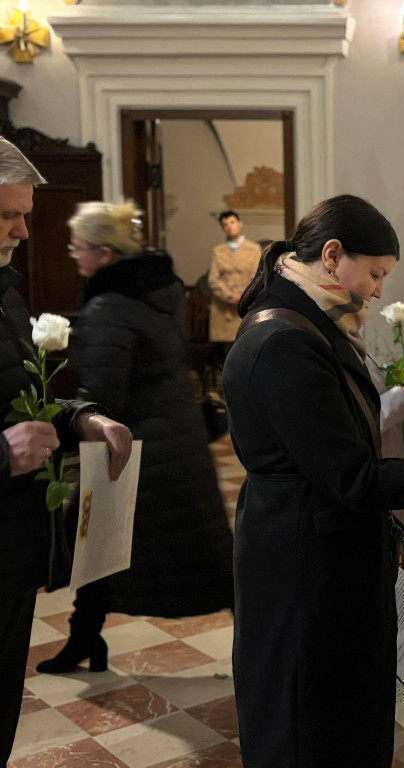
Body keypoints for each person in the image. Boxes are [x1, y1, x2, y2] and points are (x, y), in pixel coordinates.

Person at [222, 194, 404, 768]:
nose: (378, 291)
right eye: (375, 273)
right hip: (304, 573)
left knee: (342, 720)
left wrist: (395, 541)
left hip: (324, 554)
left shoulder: (310, 325)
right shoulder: (285, 342)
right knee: (310, 730)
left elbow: (336, 461)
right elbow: (352, 477)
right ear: (332, 255)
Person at [36, 201, 235, 675]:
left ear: (104, 254)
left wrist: (68, 420)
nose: (73, 255)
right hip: (176, 442)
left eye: (78, 247)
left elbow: (105, 393)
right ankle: (85, 639)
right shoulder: (157, 292)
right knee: (127, 546)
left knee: (106, 542)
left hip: (134, 449)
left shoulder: (109, 305)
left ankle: (267, 648)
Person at [0, 136, 133, 763]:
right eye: (8, 215)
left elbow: (22, 400)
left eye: (24, 214)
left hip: (11, 548)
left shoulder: (6, 293)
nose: (24, 231)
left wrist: (82, 418)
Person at [208, 210, 262, 343]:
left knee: (247, 343)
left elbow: (257, 277)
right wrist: (228, 295)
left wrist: (243, 296)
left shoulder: (254, 248)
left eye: (232, 222)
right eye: (225, 224)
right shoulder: (218, 251)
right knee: (227, 348)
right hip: (225, 306)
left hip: (246, 304)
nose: (229, 226)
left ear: (239, 223)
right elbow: (213, 279)